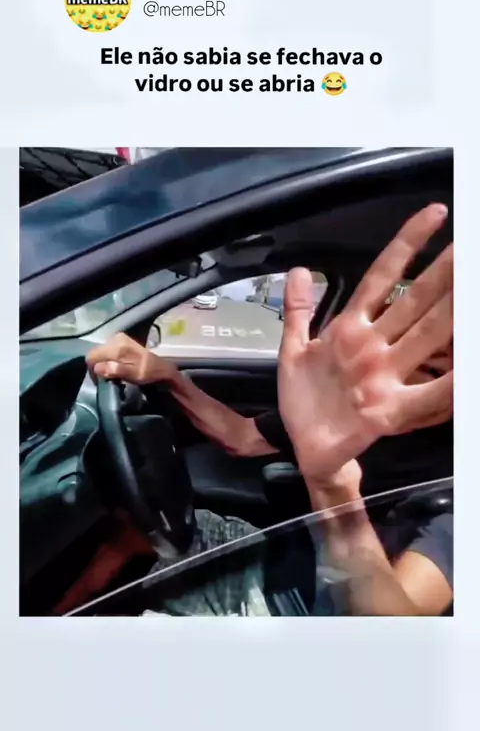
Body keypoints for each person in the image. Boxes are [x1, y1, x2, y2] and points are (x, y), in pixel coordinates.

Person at [61, 204, 452, 616]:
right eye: (390, 354)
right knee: (132, 528)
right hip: (276, 555)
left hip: (294, 613)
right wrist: (167, 376)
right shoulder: (347, 411)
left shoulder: (456, 491)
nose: (390, 377)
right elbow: (242, 437)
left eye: (431, 368)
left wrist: (332, 485)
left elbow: (388, 628)